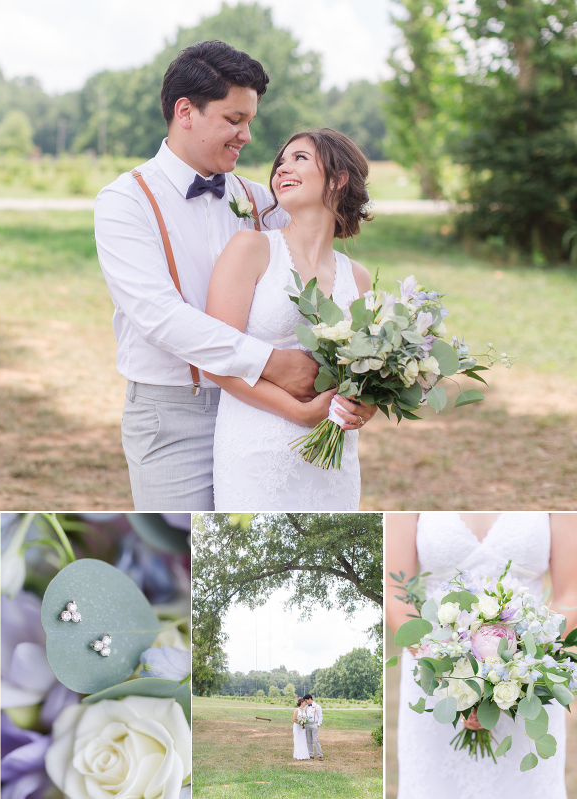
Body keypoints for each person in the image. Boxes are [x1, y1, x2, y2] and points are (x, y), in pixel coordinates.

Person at [95, 40, 322, 511]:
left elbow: (315, 272)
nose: (247, 136)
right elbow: (158, 317)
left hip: (264, 411)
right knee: (187, 554)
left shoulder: (260, 199)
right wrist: (272, 363)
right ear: (186, 111)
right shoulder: (125, 202)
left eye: (250, 122)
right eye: (234, 120)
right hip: (176, 413)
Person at [205, 129, 376, 510]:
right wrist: (298, 412)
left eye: (299, 158)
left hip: (333, 460)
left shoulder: (359, 277)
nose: (282, 168)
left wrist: (367, 405)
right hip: (256, 453)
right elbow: (215, 359)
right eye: (280, 162)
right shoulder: (252, 249)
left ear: (338, 178)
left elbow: (367, 372)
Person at [386, 512, 577, 799]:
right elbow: (394, 592)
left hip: (526, 687)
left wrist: (521, 668)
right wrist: (448, 674)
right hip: (437, 686)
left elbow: (570, 593)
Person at [303, 693, 324, 761]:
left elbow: (320, 716)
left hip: (315, 724)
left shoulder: (317, 706)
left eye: (306, 701)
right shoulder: (306, 707)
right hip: (307, 725)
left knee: (316, 740)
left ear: (310, 699)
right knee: (309, 741)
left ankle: (320, 755)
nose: (306, 702)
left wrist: (318, 724)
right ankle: (311, 754)